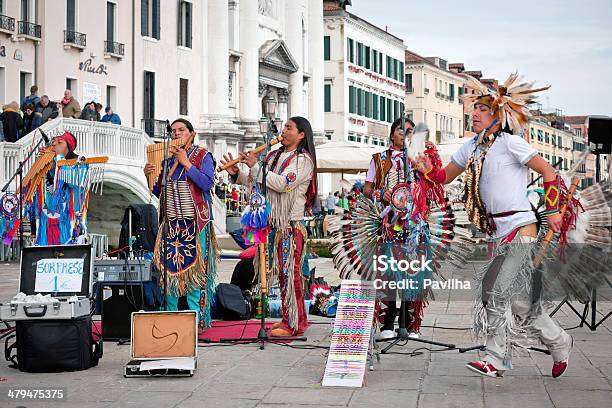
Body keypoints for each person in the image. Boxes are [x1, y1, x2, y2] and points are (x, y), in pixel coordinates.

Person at [440, 73, 573, 378]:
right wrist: (426, 168)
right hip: (497, 232)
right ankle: (559, 341)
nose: (474, 113)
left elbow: (549, 171)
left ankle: (497, 358)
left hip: (521, 227)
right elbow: (444, 177)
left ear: (498, 117)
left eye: (481, 110)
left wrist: (552, 210)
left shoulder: (511, 143)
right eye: (473, 109)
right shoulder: (471, 147)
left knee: (498, 292)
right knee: (514, 301)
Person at [221, 116, 318, 337]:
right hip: (272, 224)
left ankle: (293, 323)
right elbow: (259, 181)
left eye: (289, 128)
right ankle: (291, 318)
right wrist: (237, 173)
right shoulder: (274, 156)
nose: (283, 131)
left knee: (290, 274)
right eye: (284, 127)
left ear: (301, 134)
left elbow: (283, 184)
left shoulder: (303, 160)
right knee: (282, 274)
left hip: (290, 225)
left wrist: (256, 165)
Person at [357, 118, 446, 340]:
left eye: (410, 132)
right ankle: (387, 322)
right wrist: (380, 193)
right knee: (388, 272)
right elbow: (367, 189)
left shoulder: (421, 159)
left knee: (414, 273)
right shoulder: (379, 160)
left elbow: (436, 182)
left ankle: (409, 323)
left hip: (416, 225)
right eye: (400, 131)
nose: (405, 135)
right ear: (392, 135)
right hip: (390, 224)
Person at [143, 118, 218, 330]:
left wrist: (186, 163)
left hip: (196, 223)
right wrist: (149, 177)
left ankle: (197, 319)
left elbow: (207, 183)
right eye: (173, 130)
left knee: (196, 273)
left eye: (181, 130)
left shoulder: (203, 156)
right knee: (170, 273)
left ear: (191, 133)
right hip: (172, 224)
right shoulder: (166, 161)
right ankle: (170, 316)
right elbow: (160, 192)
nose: (176, 133)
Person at [29, 132, 90, 245]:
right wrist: (42, 162)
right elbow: (47, 181)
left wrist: (59, 158)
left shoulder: (81, 162)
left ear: (69, 147)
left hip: (69, 220)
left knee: (68, 249)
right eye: (52, 142)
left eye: (59, 142)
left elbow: (76, 183)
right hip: (48, 221)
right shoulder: (52, 163)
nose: (54, 144)